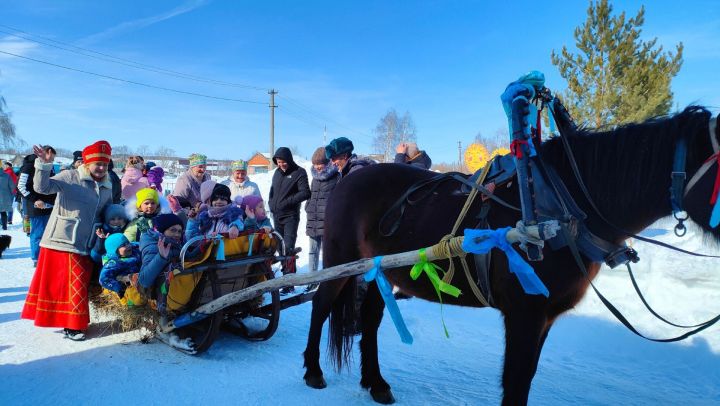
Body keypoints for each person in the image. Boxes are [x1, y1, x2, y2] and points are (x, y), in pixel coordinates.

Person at [21, 140, 114, 341]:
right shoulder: (70, 176)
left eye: (104, 164)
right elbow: (42, 187)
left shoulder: (107, 184)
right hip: (63, 239)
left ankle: (71, 322)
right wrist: (44, 165)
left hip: (88, 241)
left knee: (75, 283)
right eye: (97, 164)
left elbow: (107, 209)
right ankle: (73, 326)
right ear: (87, 164)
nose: (101, 168)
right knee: (72, 284)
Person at [268, 147, 310, 294]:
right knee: (280, 247)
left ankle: (289, 283)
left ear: (289, 159)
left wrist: (286, 202)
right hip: (277, 216)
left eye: (283, 161)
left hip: (290, 216)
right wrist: (271, 203)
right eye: (278, 162)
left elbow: (305, 193)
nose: (281, 165)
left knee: (288, 247)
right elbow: (272, 191)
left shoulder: (299, 172)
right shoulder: (277, 173)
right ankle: (286, 278)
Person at [304, 147, 340, 292]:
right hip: (313, 218)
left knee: (327, 252)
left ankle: (326, 280)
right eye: (315, 164)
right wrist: (308, 207)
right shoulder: (314, 178)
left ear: (328, 163)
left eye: (321, 164)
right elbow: (311, 196)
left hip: (327, 220)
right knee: (312, 251)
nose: (318, 167)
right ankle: (312, 280)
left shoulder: (336, 177)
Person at [18, 146, 57, 264]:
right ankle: (37, 259)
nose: (52, 161)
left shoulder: (49, 167)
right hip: (36, 207)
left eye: (53, 159)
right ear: (46, 153)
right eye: (51, 158)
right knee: (38, 233)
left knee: (48, 234)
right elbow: (21, 187)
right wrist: (35, 200)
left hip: (49, 206)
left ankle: (45, 257)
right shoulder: (29, 166)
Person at [0, 163, 15, 230]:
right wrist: (9, 194)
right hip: (4, 197)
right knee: (3, 212)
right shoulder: (7, 176)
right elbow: (12, 187)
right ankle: (4, 227)